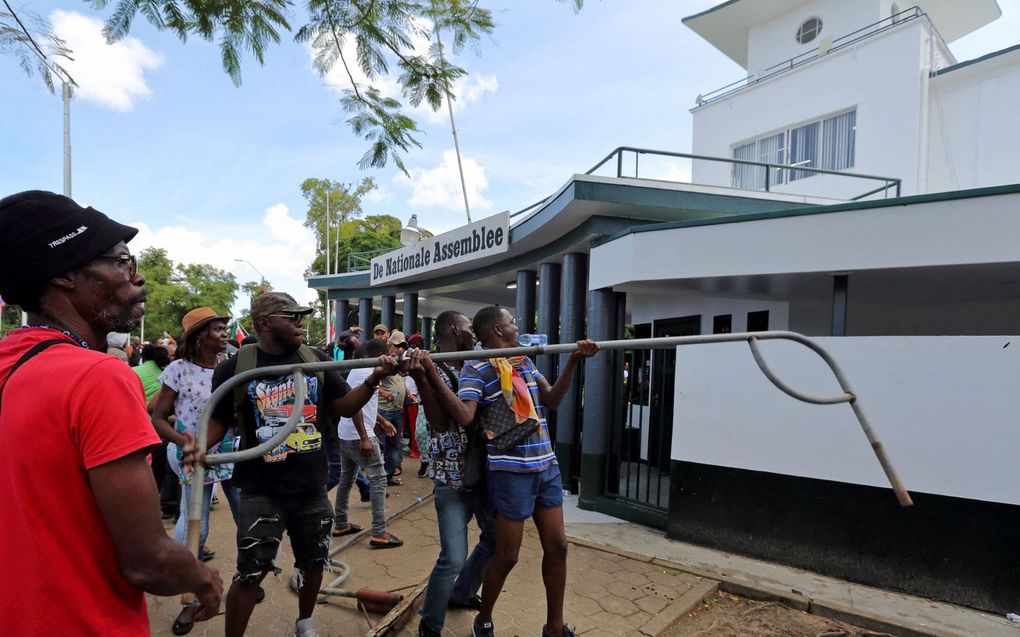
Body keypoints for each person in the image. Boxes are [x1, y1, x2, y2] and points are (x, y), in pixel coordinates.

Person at [0, 190, 222, 636]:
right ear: (65, 274)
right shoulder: (97, 376)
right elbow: (148, 563)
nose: (136, 278)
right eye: (122, 261)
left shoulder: (9, 362)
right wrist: (205, 580)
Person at [204, 291, 399, 637]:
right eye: (291, 317)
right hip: (260, 490)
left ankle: (305, 623)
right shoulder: (236, 367)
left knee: (313, 564)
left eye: (301, 316)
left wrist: (372, 379)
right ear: (264, 323)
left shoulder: (316, 359)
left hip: (311, 488)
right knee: (251, 571)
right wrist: (196, 448)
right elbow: (218, 420)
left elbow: (344, 406)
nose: (299, 323)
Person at [424, 305, 599, 637]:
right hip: (511, 472)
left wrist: (574, 361)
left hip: (546, 464)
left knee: (558, 546)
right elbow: (464, 416)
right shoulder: (477, 368)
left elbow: (551, 399)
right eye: (511, 322)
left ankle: (555, 626)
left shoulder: (525, 361)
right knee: (507, 555)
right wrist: (430, 371)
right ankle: (483, 619)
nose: (516, 327)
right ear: (497, 330)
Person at [151, 306, 242, 635]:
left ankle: (245, 582)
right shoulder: (178, 370)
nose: (225, 334)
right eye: (218, 329)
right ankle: (189, 598)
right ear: (200, 335)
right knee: (196, 528)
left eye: (225, 328)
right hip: (193, 455)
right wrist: (184, 442)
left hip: (230, 451)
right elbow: (158, 418)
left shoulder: (230, 366)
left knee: (249, 519)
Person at [408, 311, 495, 637]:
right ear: (456, 330)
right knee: (453, 557)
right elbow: (440, 422)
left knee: (497, 540)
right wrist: (424, 374)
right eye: (470, 328)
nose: (473, 334)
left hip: (483, 474)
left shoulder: (474, 362)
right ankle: (430, 625)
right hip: (451, 480)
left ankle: (461, 593)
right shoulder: (434, 368)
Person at [332, 337, 403, 548]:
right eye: (390, 352)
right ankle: (380, 533)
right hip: (357, 435)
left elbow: (363, 402)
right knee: (379, 480)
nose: (392, 357)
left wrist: (381, 421)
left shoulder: (364, 370)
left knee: (347, 478)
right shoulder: (366, 372)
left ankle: (341, 523)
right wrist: (365, 437)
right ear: (381, 353)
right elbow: (354, 407)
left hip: (346, 433)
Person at [379, 329, 409, 483]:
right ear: (389, 344)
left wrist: (408, 393)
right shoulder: (383, 360)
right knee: (378, 444)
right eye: (396, 345)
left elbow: (400, 382)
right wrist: (383, 392)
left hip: (397, 410)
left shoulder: (400, 361)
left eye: (402, 345)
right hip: (383, 410)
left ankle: (388, 475)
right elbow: (371, 381)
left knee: (394, 444)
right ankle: (376, 478)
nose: (399, 349)